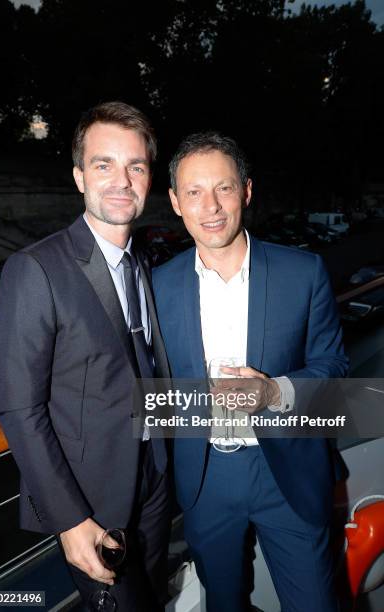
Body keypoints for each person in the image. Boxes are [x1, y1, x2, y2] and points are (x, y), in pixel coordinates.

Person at [152, 132, 349, 612]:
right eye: (194, 192)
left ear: (246, 191)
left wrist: (276, 392)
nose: (211, 206)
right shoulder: (155, 286)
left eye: (223, 187)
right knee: (223, 603)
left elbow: (336, 372)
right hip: (205, 479)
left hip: (287, 473)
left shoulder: (303, 272)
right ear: (176, 202)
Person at [0, 101, 171, 611]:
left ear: (148, 177)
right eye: (103, 164)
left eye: (135, 166)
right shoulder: (35, 270)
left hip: (153, 480)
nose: (121, 179)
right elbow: (19, 410)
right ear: (78, 177)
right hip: (91, 501)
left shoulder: (143, 261)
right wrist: (69, 522)